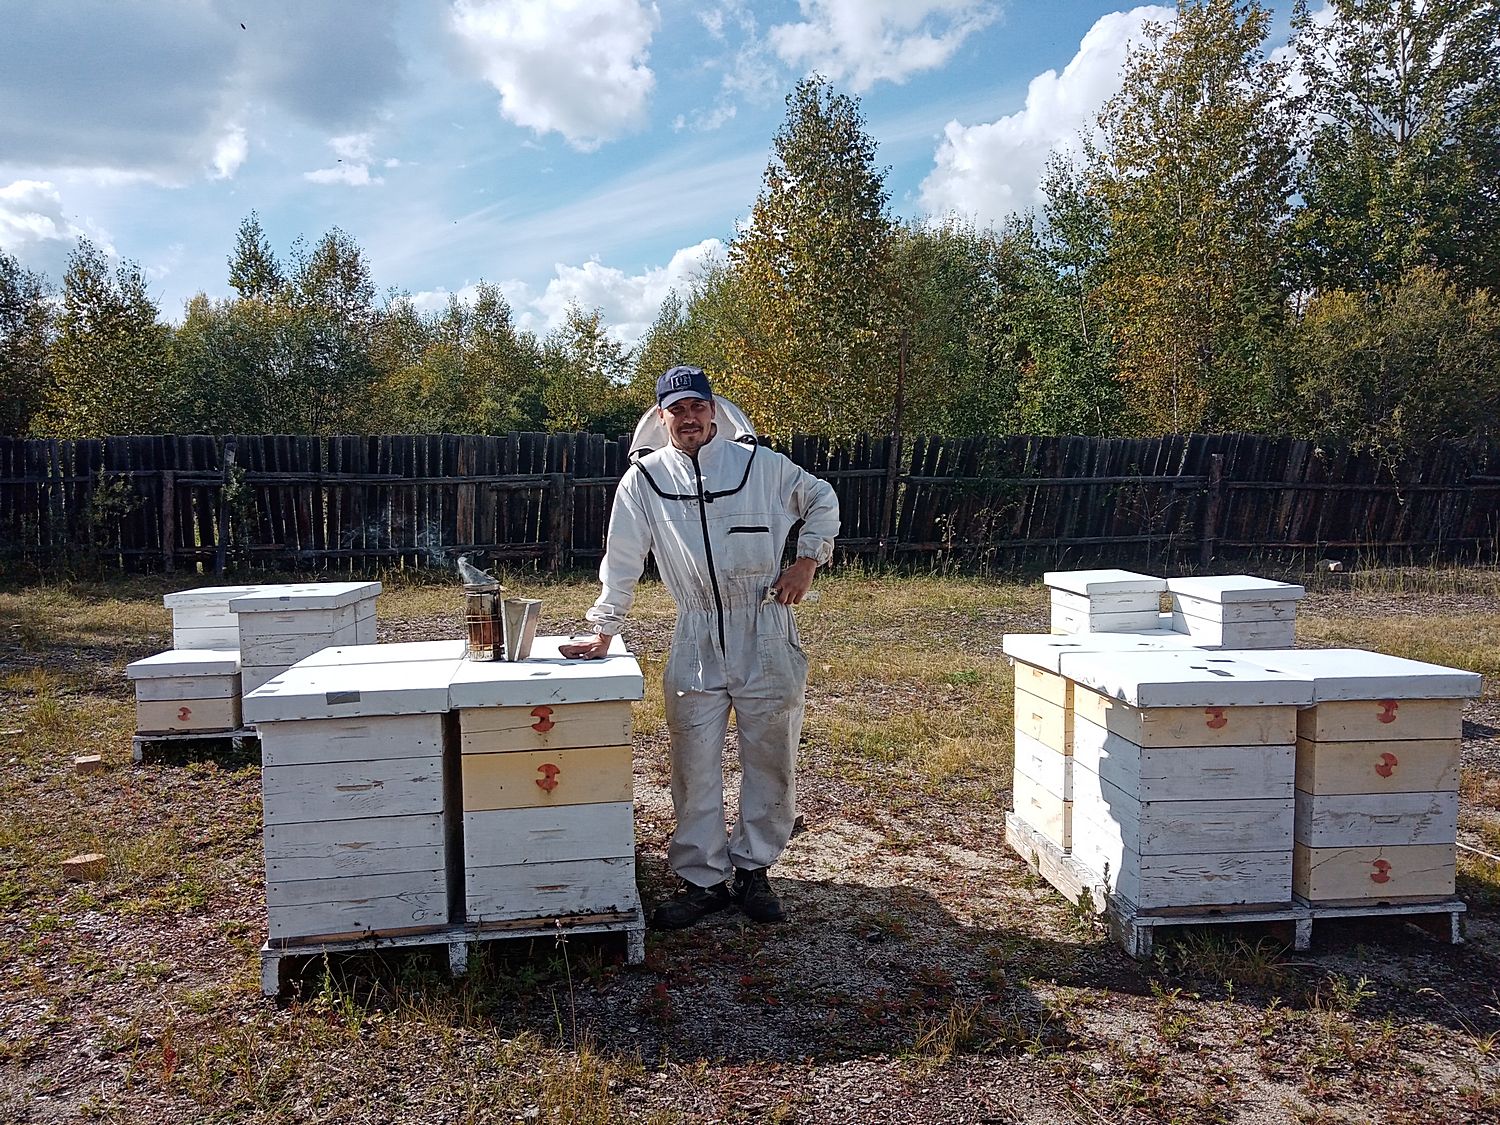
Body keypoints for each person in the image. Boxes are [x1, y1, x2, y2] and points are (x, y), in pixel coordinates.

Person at [560, 365, 839, 929]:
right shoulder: (644, 480)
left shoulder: (761, 465)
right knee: (692, 762)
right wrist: (605, 627)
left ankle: (755, 869)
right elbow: (622, 556)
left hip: (766, 626)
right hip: (695, 633)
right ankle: (703, 879)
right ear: (662, 417)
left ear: (714, 410)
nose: (689, 418)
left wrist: (808, 560)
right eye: (677, 409)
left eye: (697, 406)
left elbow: (822, 498)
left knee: (771, 755)